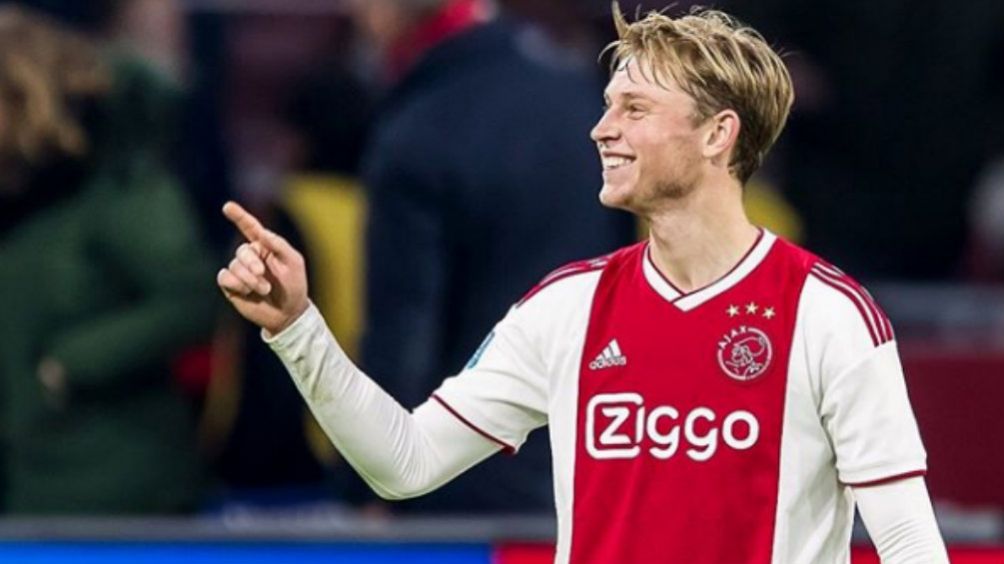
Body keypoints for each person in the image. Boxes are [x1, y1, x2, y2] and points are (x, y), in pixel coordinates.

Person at [217, 5, 949, 562]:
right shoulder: (565, 307)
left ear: (717, 134)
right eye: (607, 105)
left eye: (634, 109)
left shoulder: (826, 314)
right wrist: (298, 328)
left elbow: (909, 540)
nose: (602, 129)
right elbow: (404, 462)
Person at [352, 0, 635, 512]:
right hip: (594, 462)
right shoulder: (583, 99)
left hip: (466, 488)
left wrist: (369, 488)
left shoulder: (418, 130)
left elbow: (405, 338)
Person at [0, 6, 214, 513]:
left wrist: (69, 364)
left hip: (119, 490)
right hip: (29, 482)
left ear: (24, 94)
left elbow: (195, 296)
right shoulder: (17, 190)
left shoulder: (120, 187)